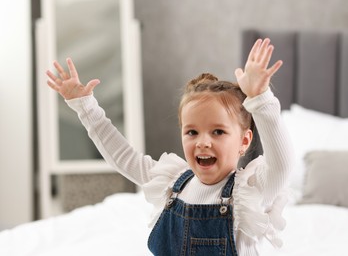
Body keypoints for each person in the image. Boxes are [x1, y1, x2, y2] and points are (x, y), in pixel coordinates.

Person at [46, 38, 293, 255]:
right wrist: (85, 107)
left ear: (244, 141)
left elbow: (282, 164)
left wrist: (260, 99)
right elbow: (121, 156)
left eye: (218, 132)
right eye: (192, 132)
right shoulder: (171, 183)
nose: (203, 142)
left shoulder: (250, 191)